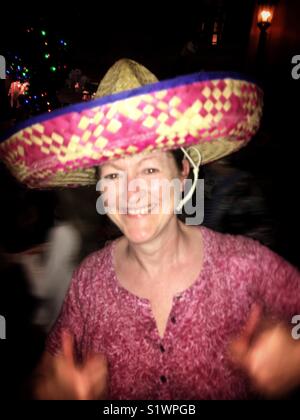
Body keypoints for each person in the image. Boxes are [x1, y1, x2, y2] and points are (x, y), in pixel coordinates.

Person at [1, 59, 300, 400]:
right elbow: (45, 372)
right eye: (113, 175)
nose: (130, 193)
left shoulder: (246, 265)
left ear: (183, 172)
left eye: (149, 170)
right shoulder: (88, 283)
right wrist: (48, 391)